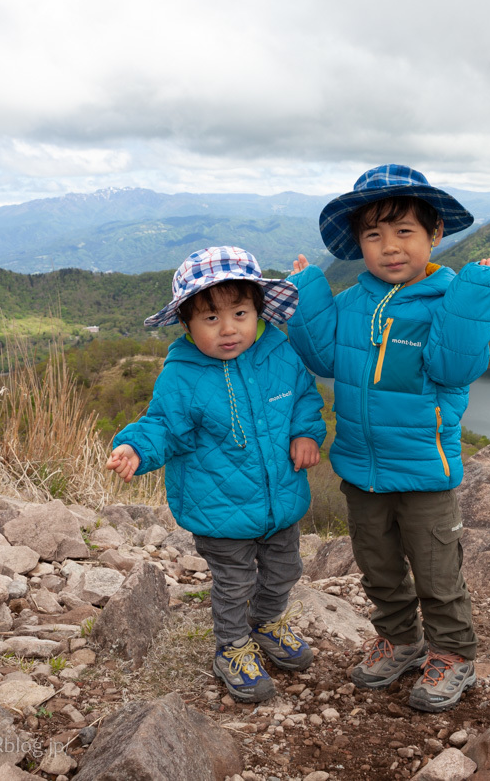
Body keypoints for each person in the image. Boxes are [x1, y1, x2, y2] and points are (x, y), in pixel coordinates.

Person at [285, 164, 490, 712]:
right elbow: (323, 357)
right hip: (361, 466)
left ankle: (453, 652)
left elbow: (455, 368)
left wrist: (475, 295)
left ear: (434, 236)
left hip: (425, 470)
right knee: (377, 565)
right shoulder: (353, 302)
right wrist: (308, 290)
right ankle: (402, 639)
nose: (389, 247)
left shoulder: (446, 299)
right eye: (373, 234)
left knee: (436, 569)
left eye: (404, 231)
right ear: (358, 245)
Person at [106, 246, 327, 703]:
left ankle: (267, 621)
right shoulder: (183, 373)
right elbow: (162, 425)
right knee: (234, 582)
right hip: (218, 508)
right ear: (187, 324)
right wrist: (134, 448)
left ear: (258, 311)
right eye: (210, 319)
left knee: (285, 568)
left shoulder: (277, 351)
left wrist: (306, 431)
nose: (229, 329)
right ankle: (232, 647)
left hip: (280, 499)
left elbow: (304, 395)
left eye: (240, 313)